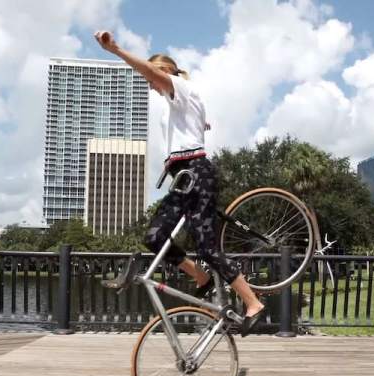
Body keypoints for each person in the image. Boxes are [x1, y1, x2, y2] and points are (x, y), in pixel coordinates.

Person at [94, 31, 266, 336]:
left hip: (197, 174)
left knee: (208, 247)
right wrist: (198, 127)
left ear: (165, 73)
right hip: (183, 177)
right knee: (154, 236)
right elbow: (189, 124)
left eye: (152, 77)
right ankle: (201, 278)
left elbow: (152, 74)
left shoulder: (181, 87)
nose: (149, 84)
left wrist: (117, 50)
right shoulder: (176, 103)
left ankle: (253, 303)